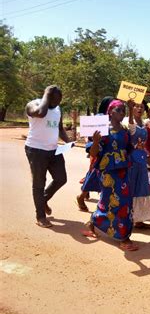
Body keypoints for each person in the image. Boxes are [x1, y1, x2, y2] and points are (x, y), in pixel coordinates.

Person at [82, 100, 138, 251]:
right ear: (111, 112)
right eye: (119, 110)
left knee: (124, 202)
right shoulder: (102, 130)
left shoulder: (125, 130)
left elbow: (129, 148)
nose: (122, 112)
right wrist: (94, 142)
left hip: (123, 170)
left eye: (123, 110)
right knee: (112, 201)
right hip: (107, 172)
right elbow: (93, 153)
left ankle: (93, 224)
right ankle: (123, 237)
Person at [25, 85, 70, 228]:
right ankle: (40, 216)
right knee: (39, 183)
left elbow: (60, 128)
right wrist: (46, 93)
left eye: (60, 100)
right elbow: (40, 113)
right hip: (36, 150)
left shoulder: (58, 109)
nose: (58, 102)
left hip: (53, 150)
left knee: (61, 178)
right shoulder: (33, 104)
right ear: (48, 96)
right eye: (55, 99)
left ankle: (43, 200)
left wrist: (69, 142)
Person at [76, 96, 114, 212]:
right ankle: (81, 196)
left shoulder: (116, 119)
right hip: (98, 152)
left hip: (111, 153)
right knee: (94, 175)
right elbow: (90, 136)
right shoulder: (100, 118)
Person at [126, 100, 150, 229]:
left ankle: (139, 219)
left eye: (141, 107)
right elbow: (131, 127)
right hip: (131, 160)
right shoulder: (127, 121)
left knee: (141, 188)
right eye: (136, 106)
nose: (139, 109)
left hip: (141, 160)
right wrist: (129, 109)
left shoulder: (144, 124)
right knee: (130, 188)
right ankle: (127, 218)